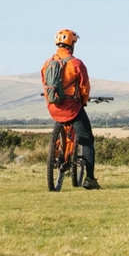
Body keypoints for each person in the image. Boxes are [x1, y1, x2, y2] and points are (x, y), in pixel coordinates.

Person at [41, 29, 100, 189]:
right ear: (72, 45)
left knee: (61, 129)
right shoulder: (76, 63)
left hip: (54, 107)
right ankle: (90, 179)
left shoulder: (47, 63)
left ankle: (59, 155)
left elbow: (45, 84)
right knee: (87, 140)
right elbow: (84, 87)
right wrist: (83, 100)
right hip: (72, 108)